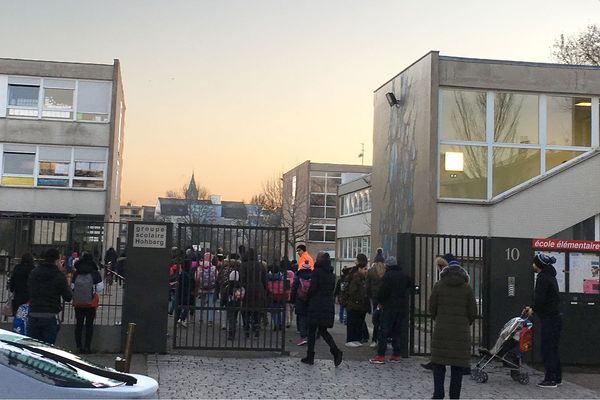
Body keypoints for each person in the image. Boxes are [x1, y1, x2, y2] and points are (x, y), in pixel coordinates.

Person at [429, 253, 477, 399]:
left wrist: (439, 319)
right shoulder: (467, 288)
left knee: (438, 364)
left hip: (441, 331)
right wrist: (464, 323)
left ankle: (438, 394)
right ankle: (454, 396)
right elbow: (473, 312)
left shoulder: (438, 286)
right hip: (461, 333)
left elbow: (432, 308)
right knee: (457, 367)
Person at [523, 253, 562, 388]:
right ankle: (557, 376)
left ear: (538, 265)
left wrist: (532, 309)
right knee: (553, 348)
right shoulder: (550, 276)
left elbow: (540, 299)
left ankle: (550, 379)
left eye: (534, 263)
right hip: (555, 317)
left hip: (549, 318)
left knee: (547, 348)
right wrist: (533, 307)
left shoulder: (542, 278)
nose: (532, 265)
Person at [300, 252, 343, 367]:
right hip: (327, 304)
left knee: (311, 330)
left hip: (316, 305)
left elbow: (313, 288)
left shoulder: (317, 272)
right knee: (323, 331)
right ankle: (335, 351)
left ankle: (310, 356)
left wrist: (307, 297)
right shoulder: (331, 274)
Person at [369, 256, 412, 364]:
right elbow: (410, 288)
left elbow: (382, 292)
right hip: (401, 307)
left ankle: (381, 355)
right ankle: (396, 355)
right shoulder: (404, 276)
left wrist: (380, 301)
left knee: (383, 331)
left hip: (388, 307)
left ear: (387, 265)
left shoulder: (387, 276)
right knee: (396, 332)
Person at [27, 248, 72, 345]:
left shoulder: (34, 272)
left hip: (33, 313)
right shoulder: (59, 276)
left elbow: (29, 289)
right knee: (48, 349)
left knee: (33, 349)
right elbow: (68, 297)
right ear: (57, 261)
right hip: (50, 315)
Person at [71, 252, 103, 353]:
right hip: (91, 303)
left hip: (78, 303)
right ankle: (87, 346)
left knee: (79, 325)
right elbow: (100, 288)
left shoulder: (77, 272)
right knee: (89, 325)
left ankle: (79, 346)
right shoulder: (94, 272)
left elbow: (72, 287)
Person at [240, 248, 267, 338]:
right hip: (258, 289)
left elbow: (241, 278)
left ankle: (246, 328)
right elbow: (264, 279)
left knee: (246, 310)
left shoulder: (243, 265)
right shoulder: (260, 266)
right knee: (257, 309)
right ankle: (257, 326)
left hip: (247, 288)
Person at [345, 257, 370, 347]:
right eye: (365, 269)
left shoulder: (362, 277)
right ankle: (351, 339)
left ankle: (356, 339)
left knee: (358, 322)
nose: (366, 271)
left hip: (359, 304)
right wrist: (358, 298)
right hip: (354, 303)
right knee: (353, 322)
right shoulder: (356, 277)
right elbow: (353, 291)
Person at [366, 254, 386, 348]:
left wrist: (370, 295)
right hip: (385, 299)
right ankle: (384, 340)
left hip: (375, 298)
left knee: (376, 320)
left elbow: (367, 286)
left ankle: (374, 339)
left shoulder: (370, 271)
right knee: (384, 320)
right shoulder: (386, 271)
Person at [291, 260, 312, 346]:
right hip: (310, 300)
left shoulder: (298, 277)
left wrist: (292, 300)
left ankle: (303, 336)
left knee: (301, 317)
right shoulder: (312, 276)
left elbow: (294, 289)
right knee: (308, 317)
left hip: (300, 299)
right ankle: (308, 334)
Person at [196, 253, 217, 325]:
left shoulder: (200, 267)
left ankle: (201, 318)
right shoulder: (213, 267)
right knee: (210, 303)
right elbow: (216, 276)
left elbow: (197, 277)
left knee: (202, 303)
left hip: (202, 287)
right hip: (211, 287)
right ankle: (210, 320)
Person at [176, 259, 196, 328]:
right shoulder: (189, 275)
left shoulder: (181, 274)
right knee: (187, 306)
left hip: (180, 292)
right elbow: (193, 283)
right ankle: (182, 318)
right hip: (187, 293)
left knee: (179, 306)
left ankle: (178, 319)